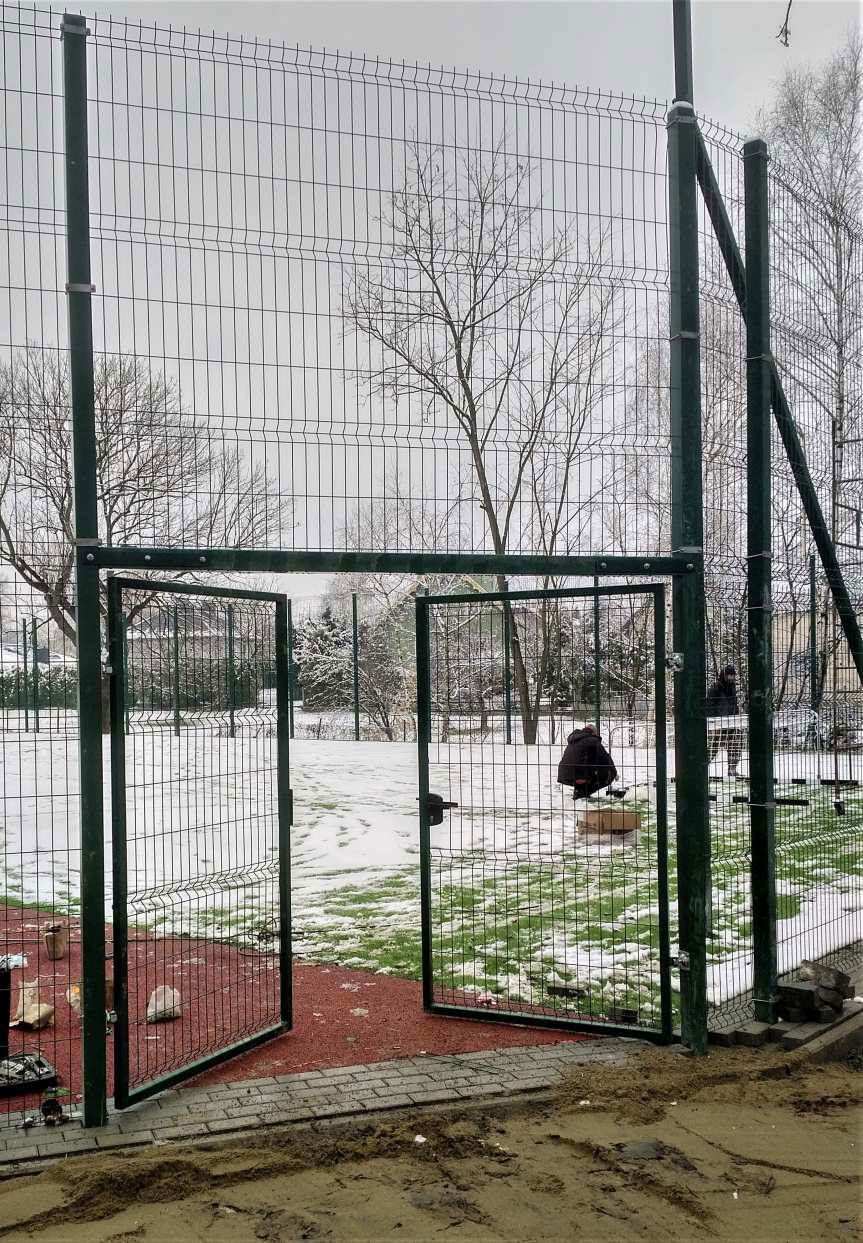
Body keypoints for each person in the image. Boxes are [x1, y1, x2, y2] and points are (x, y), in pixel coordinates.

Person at [557, 723, 618, 799]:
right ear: (593, 733)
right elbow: (605, 758)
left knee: (582, 770)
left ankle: (579, 791)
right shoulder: (593, 740)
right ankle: (583, 793)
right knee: (609, 774)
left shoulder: (574, 739)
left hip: (566, 774)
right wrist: (614, 773)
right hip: (580, 773)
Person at [706, 664, 744, 777]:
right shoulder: (715, 688)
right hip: (718, 724)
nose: (731, 677)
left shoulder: (732, 688)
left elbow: (734, 704)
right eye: (729, 675)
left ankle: (732, 769)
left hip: (732, 722)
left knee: (735, 745)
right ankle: (701, 769)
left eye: (733, 675)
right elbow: (709, 706)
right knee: (713, 748)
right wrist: (713, 722)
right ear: (724, 675)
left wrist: (736, 716)